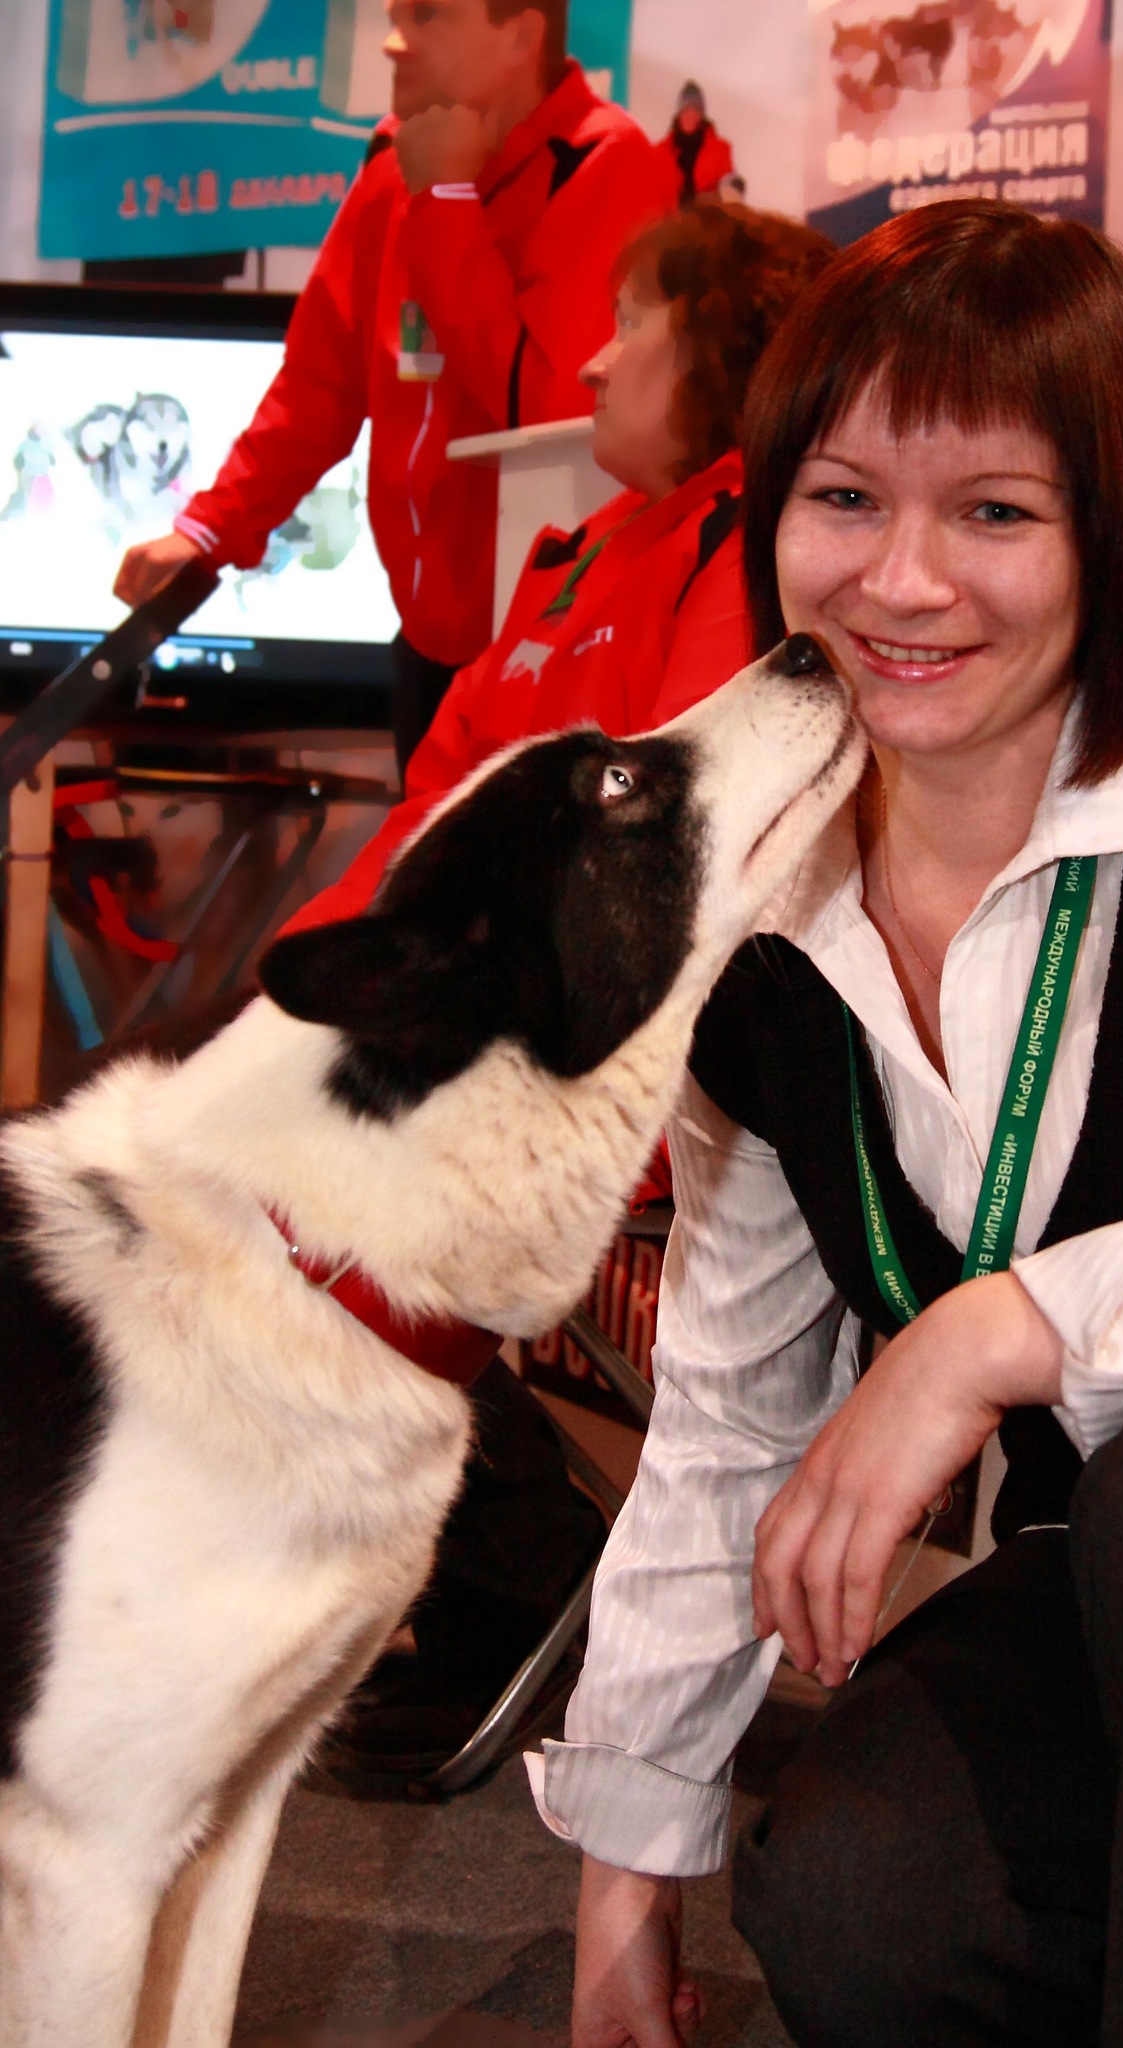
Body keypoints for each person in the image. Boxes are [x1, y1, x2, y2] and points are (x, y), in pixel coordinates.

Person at [534, 200, 1123, 2047]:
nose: (901, 580)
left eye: (996, 512)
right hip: (1116, 1593)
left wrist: (1013, 1324)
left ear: (1115, 536)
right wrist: (627, 1874)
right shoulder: (764, 926)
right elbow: (728, 1420)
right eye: (844, 498)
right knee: (864, 1896)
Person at [296, 199, 833, 1782]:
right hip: (487, 1047)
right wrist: (295, 1026)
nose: (593, 359)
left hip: (613, 1075)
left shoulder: (748, 556)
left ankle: (510, 1577)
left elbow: (683, 879)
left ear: (726, 345)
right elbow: (424, 828)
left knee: (317, 1238)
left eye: (634, 318)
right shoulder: (580, 554)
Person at [113, 0, 677, 775]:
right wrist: (212, 530)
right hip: (426, 647)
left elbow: (550, 422)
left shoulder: (602, 162)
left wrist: (444, 201)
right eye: (394, 14)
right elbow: (319, 383)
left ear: (521, 34)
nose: (392, 42)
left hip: (558, 656)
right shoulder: (395, 160)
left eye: (427, 15)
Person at [663, 82, 736, 208]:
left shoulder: (720, 150)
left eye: (695, 110)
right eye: (685, 110)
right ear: (678, 114)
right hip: (672, 218)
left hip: (707, 217)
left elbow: (729, 195)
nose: (690, 115)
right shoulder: (661, 151)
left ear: (702, 115)